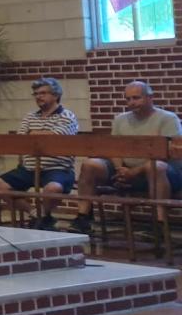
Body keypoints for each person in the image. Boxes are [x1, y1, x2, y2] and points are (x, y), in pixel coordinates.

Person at [71, 81, 182, 234]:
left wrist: (135, 171)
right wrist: (120, 169)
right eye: (128, 99)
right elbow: (114, 148)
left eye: (136, 98)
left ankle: (160, 223)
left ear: (150, 98)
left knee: (155, 167)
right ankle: (83, 217)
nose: (131, 103)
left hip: (161, 172)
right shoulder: (120, 119)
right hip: (124, 170)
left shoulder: (168, 118)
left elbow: (169, 154)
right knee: (90, 164)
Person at [0, 78, 78, 230]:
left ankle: (43, 216)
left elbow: (56, 138)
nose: (38, 97)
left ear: (55, 95)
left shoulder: (67, 116)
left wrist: (33, 133)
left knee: (53, 188)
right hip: (29, 168)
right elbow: (21, 139)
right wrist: (39, 134)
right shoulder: (30, 116)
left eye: (43, 93)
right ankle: (37, 214)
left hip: (57, 168)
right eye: (36, 94)